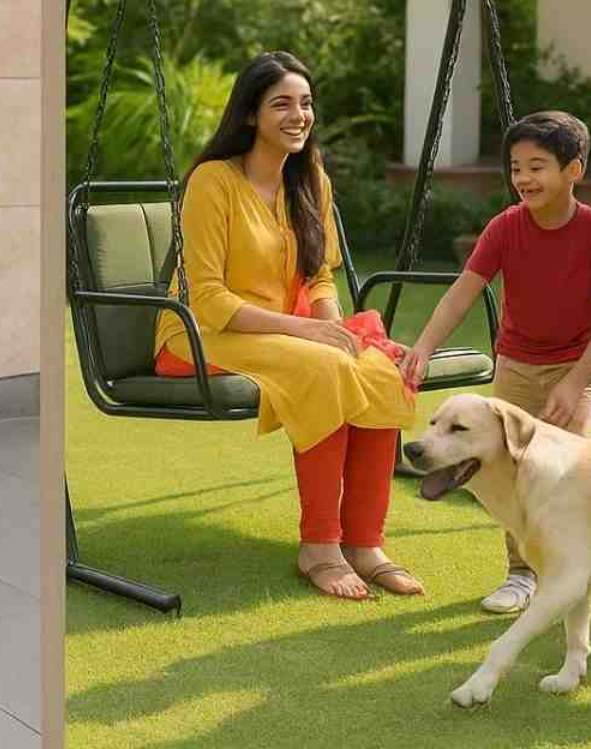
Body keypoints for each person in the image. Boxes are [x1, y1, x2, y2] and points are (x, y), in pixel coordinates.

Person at [153, 50, 423, 601]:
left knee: (374, 368)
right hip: (200, 334)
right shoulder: (212, 182)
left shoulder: (309, 179)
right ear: (251, 115)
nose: (298, 114)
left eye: (305, 103)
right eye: (282, 104)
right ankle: (320, 546)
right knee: (323, 367)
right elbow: (206, 298)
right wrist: (309, 334)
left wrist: (336, 330)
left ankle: (365, 543)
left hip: (280, 332)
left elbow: (318, 276)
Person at [401, 110, 591, 614]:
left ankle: (567, 572)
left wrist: (575, 383)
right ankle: (521, 574)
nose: (524, 178)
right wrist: (423, 346)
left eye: (537, 166)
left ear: (574, 169)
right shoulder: (506, 227)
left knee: (566, 473)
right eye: (516, 167)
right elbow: (462, 294)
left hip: (579, 364)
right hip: (518, 363)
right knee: (509, 469)